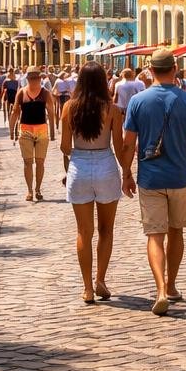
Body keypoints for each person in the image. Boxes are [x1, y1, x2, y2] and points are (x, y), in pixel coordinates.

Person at [117, 47, 186, 316]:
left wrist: (126, 173)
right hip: (181, 176)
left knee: (154, 236)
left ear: (150, 71)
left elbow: (127, 143)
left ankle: (159, 289)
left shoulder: (138, 101)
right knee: (177, 232)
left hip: (150, 176)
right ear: (174, 69)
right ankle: (171, 285)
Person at [61, 63, 124, 304]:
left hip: (79, 165)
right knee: (106, 229)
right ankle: (100, 279)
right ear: (102, 82)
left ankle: (87, 288)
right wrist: (127, 171)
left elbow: (65, 146)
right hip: (105, 163)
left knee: (83, 231)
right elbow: (119, 146)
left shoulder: (69, 107)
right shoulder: (112, 109)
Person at [11, 68, 57, 202]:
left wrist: (52, 132)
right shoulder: (22, 92)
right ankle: (30, 190)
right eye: (31, 78)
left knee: (40, 162)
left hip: (42, 130)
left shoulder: (45, 93)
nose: (34, 81)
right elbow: (15, 111)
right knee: (28, 162)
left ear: (40, 79)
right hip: (25, 130)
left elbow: (51, 112)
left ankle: (38, 188)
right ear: (28, 79)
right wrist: (11, 130)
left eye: (36, 78)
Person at [53, 68, 76, 139]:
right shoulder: (65, 81)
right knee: (65, 111)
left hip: (61, 96)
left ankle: (59, 125)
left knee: (60, 110)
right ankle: (65, 124)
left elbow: (53, 90)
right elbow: (70, 90)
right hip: (65, 96)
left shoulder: (59, 81)